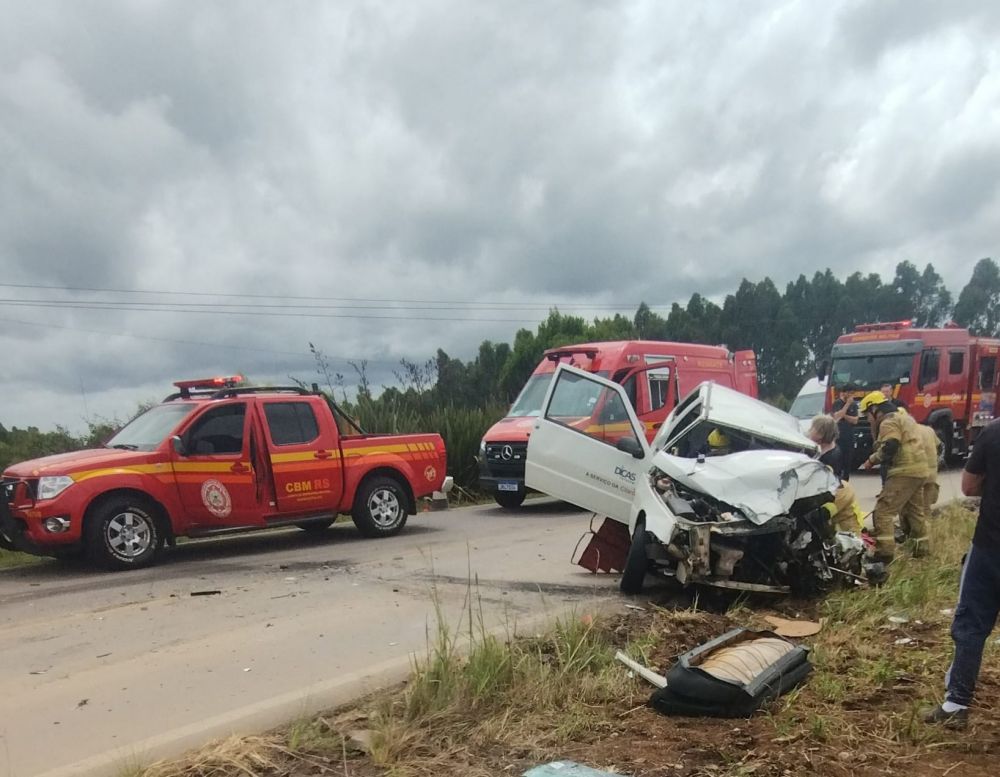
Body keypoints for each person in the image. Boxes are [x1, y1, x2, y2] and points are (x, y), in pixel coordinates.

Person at [923, 417, 1000, 729]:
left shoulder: (994, 432)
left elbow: (968, 486)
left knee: (971, 624)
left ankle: (956, 704)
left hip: (991, 547)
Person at [860, 391, 929, 563]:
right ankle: (922, 551)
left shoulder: (888, 422)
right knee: (915, 512)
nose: (868, 420)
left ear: (875, 409)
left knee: (883, 511)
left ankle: (884, 554)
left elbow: (891, 445)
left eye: (868, 415)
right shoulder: (905, 418)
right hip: (920, 470)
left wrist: (871, 460)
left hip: (903, 471)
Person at [807, 414, 864, 532]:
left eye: (812, 428)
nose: (809, 431)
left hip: (835, 500)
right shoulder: (825, 451)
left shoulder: (830, 458)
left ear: (821, 433)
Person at [899, 423, 940, 556]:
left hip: (915, 478)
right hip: (931, 476)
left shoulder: (904, 433)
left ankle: (916, 546)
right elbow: (938, 446)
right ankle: (930, 543)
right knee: (926, 512)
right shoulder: (929, 430)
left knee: (909, 513)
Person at [831, 385, 858, 480]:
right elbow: (837, 417)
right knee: (838, 461)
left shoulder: (854, 405)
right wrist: (846, 405)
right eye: (850, 393)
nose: (851, 396)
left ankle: (846, 481)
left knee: (848, 462)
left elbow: (855, 420)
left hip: (849, 436)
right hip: (838, 436)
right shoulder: (837, 403)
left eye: (852, 393)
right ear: (844, 393)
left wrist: (844, 416)